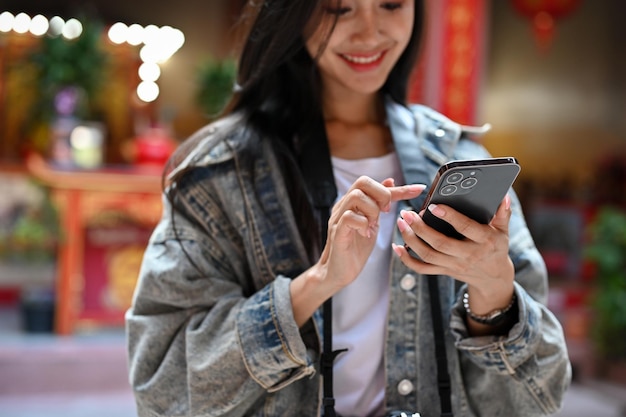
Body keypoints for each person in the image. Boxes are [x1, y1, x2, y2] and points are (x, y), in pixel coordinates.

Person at [125, 1, 571, 416]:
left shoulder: (460, 159)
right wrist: (317, 283)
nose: (370, 32)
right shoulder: (221, 171)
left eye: (392, 5)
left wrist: (494, 295)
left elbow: (538, 400)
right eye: (340, 8)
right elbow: (163, 387)